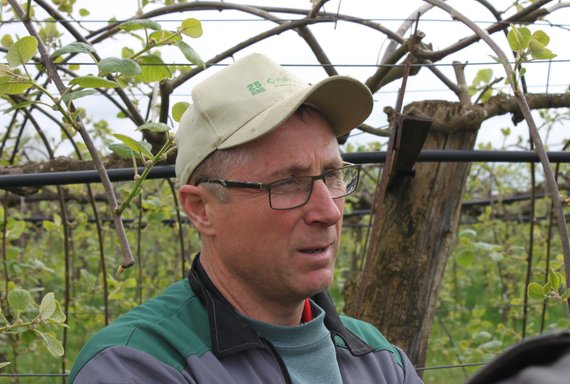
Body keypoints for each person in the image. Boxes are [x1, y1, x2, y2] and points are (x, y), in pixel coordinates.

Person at [69, 53, 423, 383]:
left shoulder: (378, 359)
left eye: (331, 175)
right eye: (286, 183)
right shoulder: (136, 365)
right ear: (201, 209)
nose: (328, 211)